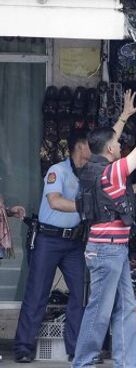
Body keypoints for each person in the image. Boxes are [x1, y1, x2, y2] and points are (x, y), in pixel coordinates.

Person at [71, 87, 136, 368]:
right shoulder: (112, 172)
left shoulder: (92, 167)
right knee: (99, 312)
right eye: (117, 143)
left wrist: (124, 117)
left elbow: (102, 142)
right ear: (112, 150)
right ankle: (83, 363)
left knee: (126, 307)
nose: (120, 145)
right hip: (107, 251)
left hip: (112, 250)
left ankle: (127, 363)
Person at [12, 129, 91, 363]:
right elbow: (54, 202)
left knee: (81, 293)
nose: (94, 148)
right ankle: (24, 348)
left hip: (74, 243)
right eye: (90, 144)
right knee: (37, 293)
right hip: (48, 239)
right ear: (80, 146)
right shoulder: (58, 171)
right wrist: (85, 206)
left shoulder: (88, 174)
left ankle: (75, 349)